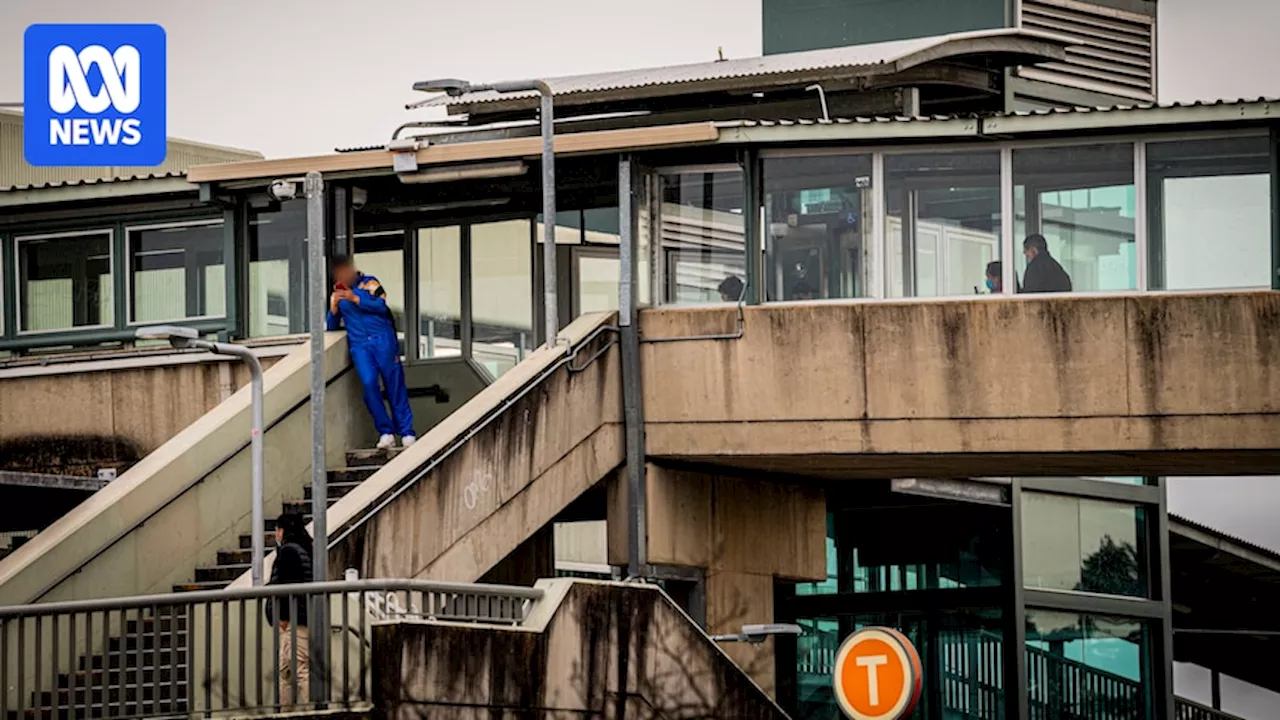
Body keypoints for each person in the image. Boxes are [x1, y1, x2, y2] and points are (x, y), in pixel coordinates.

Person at [326, 256, 415, 449]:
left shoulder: (370, 283)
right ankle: (386, 431)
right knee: (369, 384)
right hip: (359, 345)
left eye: (344, 271)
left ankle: (407, 432)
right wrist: (333, 308)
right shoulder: (338, 292)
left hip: (382, 339)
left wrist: (355, 298)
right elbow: (332, 326)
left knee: (394, 383)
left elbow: (381, 306)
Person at [265, 513, 313, 707]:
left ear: (283, 531)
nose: (276, 534)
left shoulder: (288, 552)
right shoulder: (303, 550)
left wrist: (282, 616)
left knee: (297, 668)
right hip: (300, 617)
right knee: (288, 669)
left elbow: (287, 585)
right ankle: (291, 710)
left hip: (292, 620)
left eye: (277, 530)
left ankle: (306, 711)